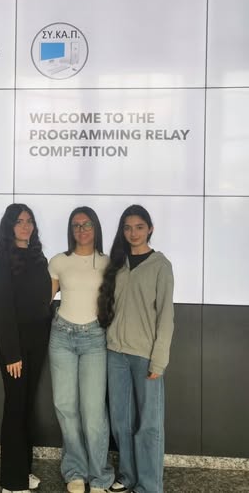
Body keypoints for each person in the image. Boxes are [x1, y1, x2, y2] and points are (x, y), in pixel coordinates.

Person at [98, 205, 175, 493]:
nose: (134, 233)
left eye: (139, 227)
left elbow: (166, 316)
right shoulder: (117, 264)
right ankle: (128, 476)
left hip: (145, 356)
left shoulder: (160, 265)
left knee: (149, 424)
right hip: (116, 354)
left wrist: (159, 360)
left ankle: (150, 485)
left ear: (150, 229)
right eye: (128, 227)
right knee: (121, 421)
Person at [48, 207, 114, 493]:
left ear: (95, 227)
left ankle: (100, 476)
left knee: (93, 412)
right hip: (62, 336)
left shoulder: (108, 262)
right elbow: (44, 298)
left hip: (95, 339)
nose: (81, 229)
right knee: (65, 406)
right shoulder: (59, 261)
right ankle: (75, 470)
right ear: (70, 230)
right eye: (76, 225)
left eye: (87, 224)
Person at [0, 203, 52, 493]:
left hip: (37, 344)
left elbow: (43, 300)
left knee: (26, 408)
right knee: (15, 409)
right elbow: (0, 310)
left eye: (29, 220)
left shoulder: (39, 258)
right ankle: (11, 483)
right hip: (14, 346)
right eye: (19, 221)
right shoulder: (3, 259)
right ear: (9, 226)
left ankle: (23, 471)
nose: (25, 226)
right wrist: (12, 353)